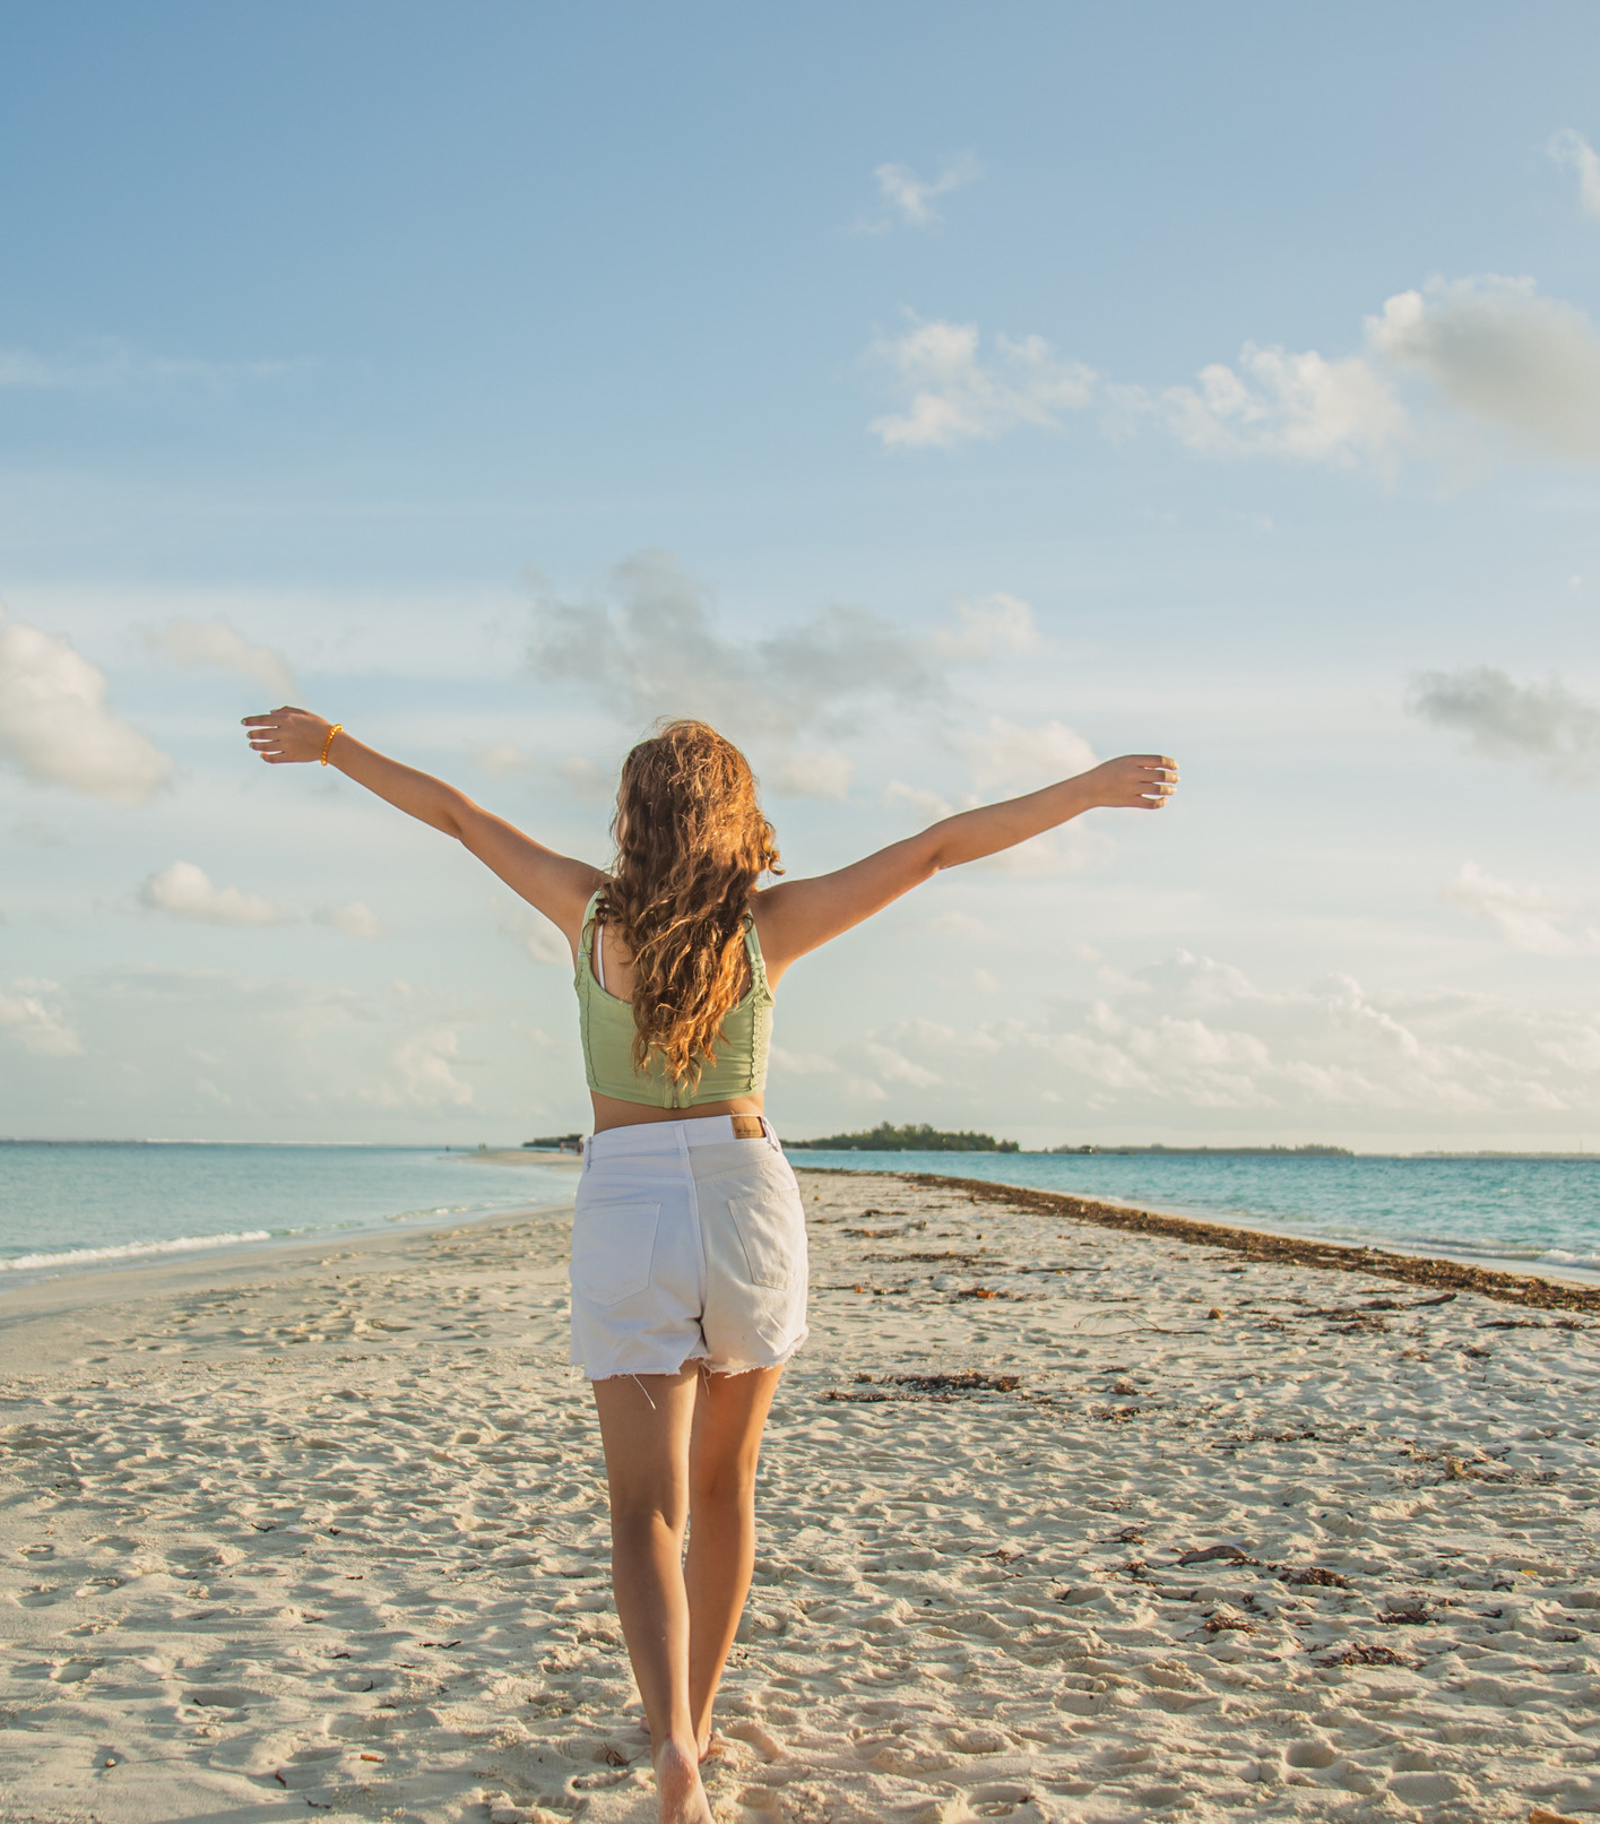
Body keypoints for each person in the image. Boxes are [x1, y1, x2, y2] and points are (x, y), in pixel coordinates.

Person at [243, 709, 1177, 1824]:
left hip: (629, 1200)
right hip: (744, 1195)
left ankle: (674, 1744)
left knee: (645, 1503)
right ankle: (699, 1711)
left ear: (633, 817)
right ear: (735, 817)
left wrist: (334, 746)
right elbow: (935, 848)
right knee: (726, 1484)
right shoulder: (768, 926)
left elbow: (454, 814)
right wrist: (1086, 789)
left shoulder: (587, 913)